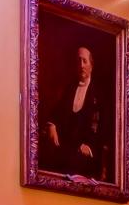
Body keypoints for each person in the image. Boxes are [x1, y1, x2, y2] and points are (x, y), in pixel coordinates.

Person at [42, 44, 109, 180]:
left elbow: (105, 129)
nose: (81, 65)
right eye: (78, 61)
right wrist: (51, 125)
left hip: (88, 154)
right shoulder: (69, 89)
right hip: (67, 147)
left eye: (85, 61)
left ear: (91, 65)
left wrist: (90, 148)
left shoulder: (99, 95)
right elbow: (56, 113)